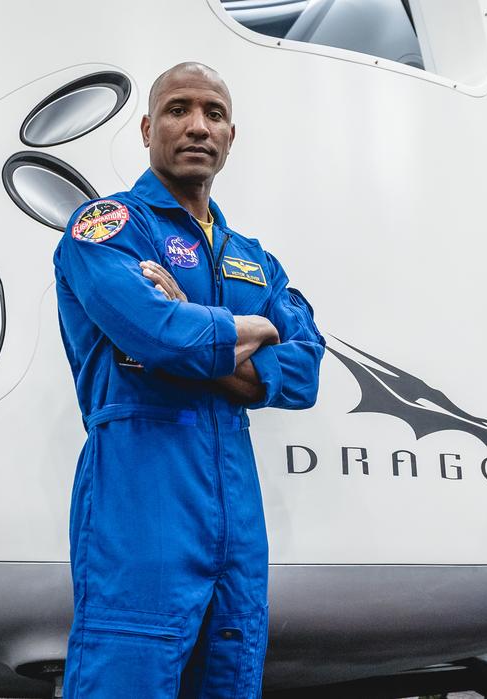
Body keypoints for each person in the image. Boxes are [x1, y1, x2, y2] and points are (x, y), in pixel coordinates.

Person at [53, 62, 325, 698]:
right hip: (141, 491)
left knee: (230, 675)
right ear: (147, 128)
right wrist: (256, 330)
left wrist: (202, 335)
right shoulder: (107, 230)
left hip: (236, 504)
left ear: (232, 136)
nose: (197, 125)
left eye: (214, 113)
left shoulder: (255, 258)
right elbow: (157, 335)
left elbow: (308, 370)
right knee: (128, 672)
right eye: (178, 110)